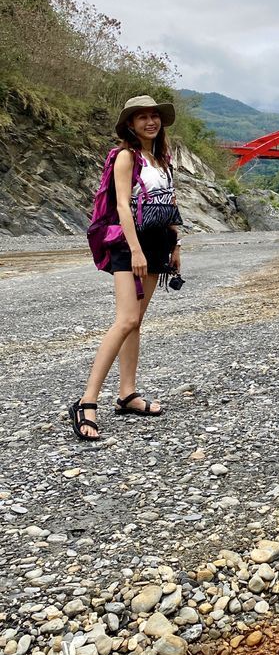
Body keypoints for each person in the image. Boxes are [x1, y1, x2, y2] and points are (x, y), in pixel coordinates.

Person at [69, 95, 183, 440]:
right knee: (126, 319)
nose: (150, 122)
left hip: (157, 242)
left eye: (154, 117)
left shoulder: (161, 158)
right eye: (142, 118)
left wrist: (176, 245)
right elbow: (121, 206)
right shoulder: (125, 157)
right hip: (129, 244)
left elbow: (170, 203)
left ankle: (127, 393)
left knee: (137, 321)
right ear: (130, 125)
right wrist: (134, 250)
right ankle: (86, 401)